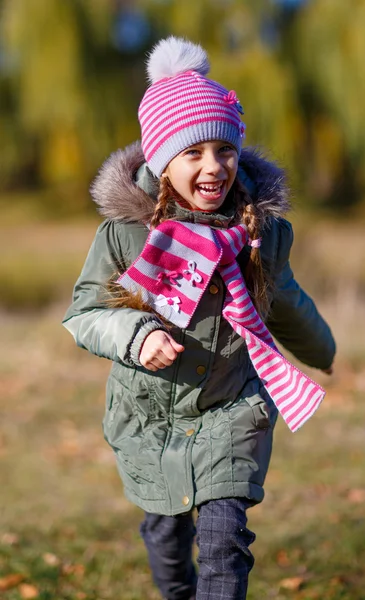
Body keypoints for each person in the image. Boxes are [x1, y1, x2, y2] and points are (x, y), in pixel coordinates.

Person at [63, 36, 335, 600]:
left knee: (223, 542)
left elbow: (284, 299)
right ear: (163, 162)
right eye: (194, 153)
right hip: (150, 415)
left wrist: (322, 349)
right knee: (166, 538)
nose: (215, 166)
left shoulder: (261, 235)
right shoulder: (127, 237)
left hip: (231, 407)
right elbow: (85, 311)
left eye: (225, 150)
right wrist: (136, 337)